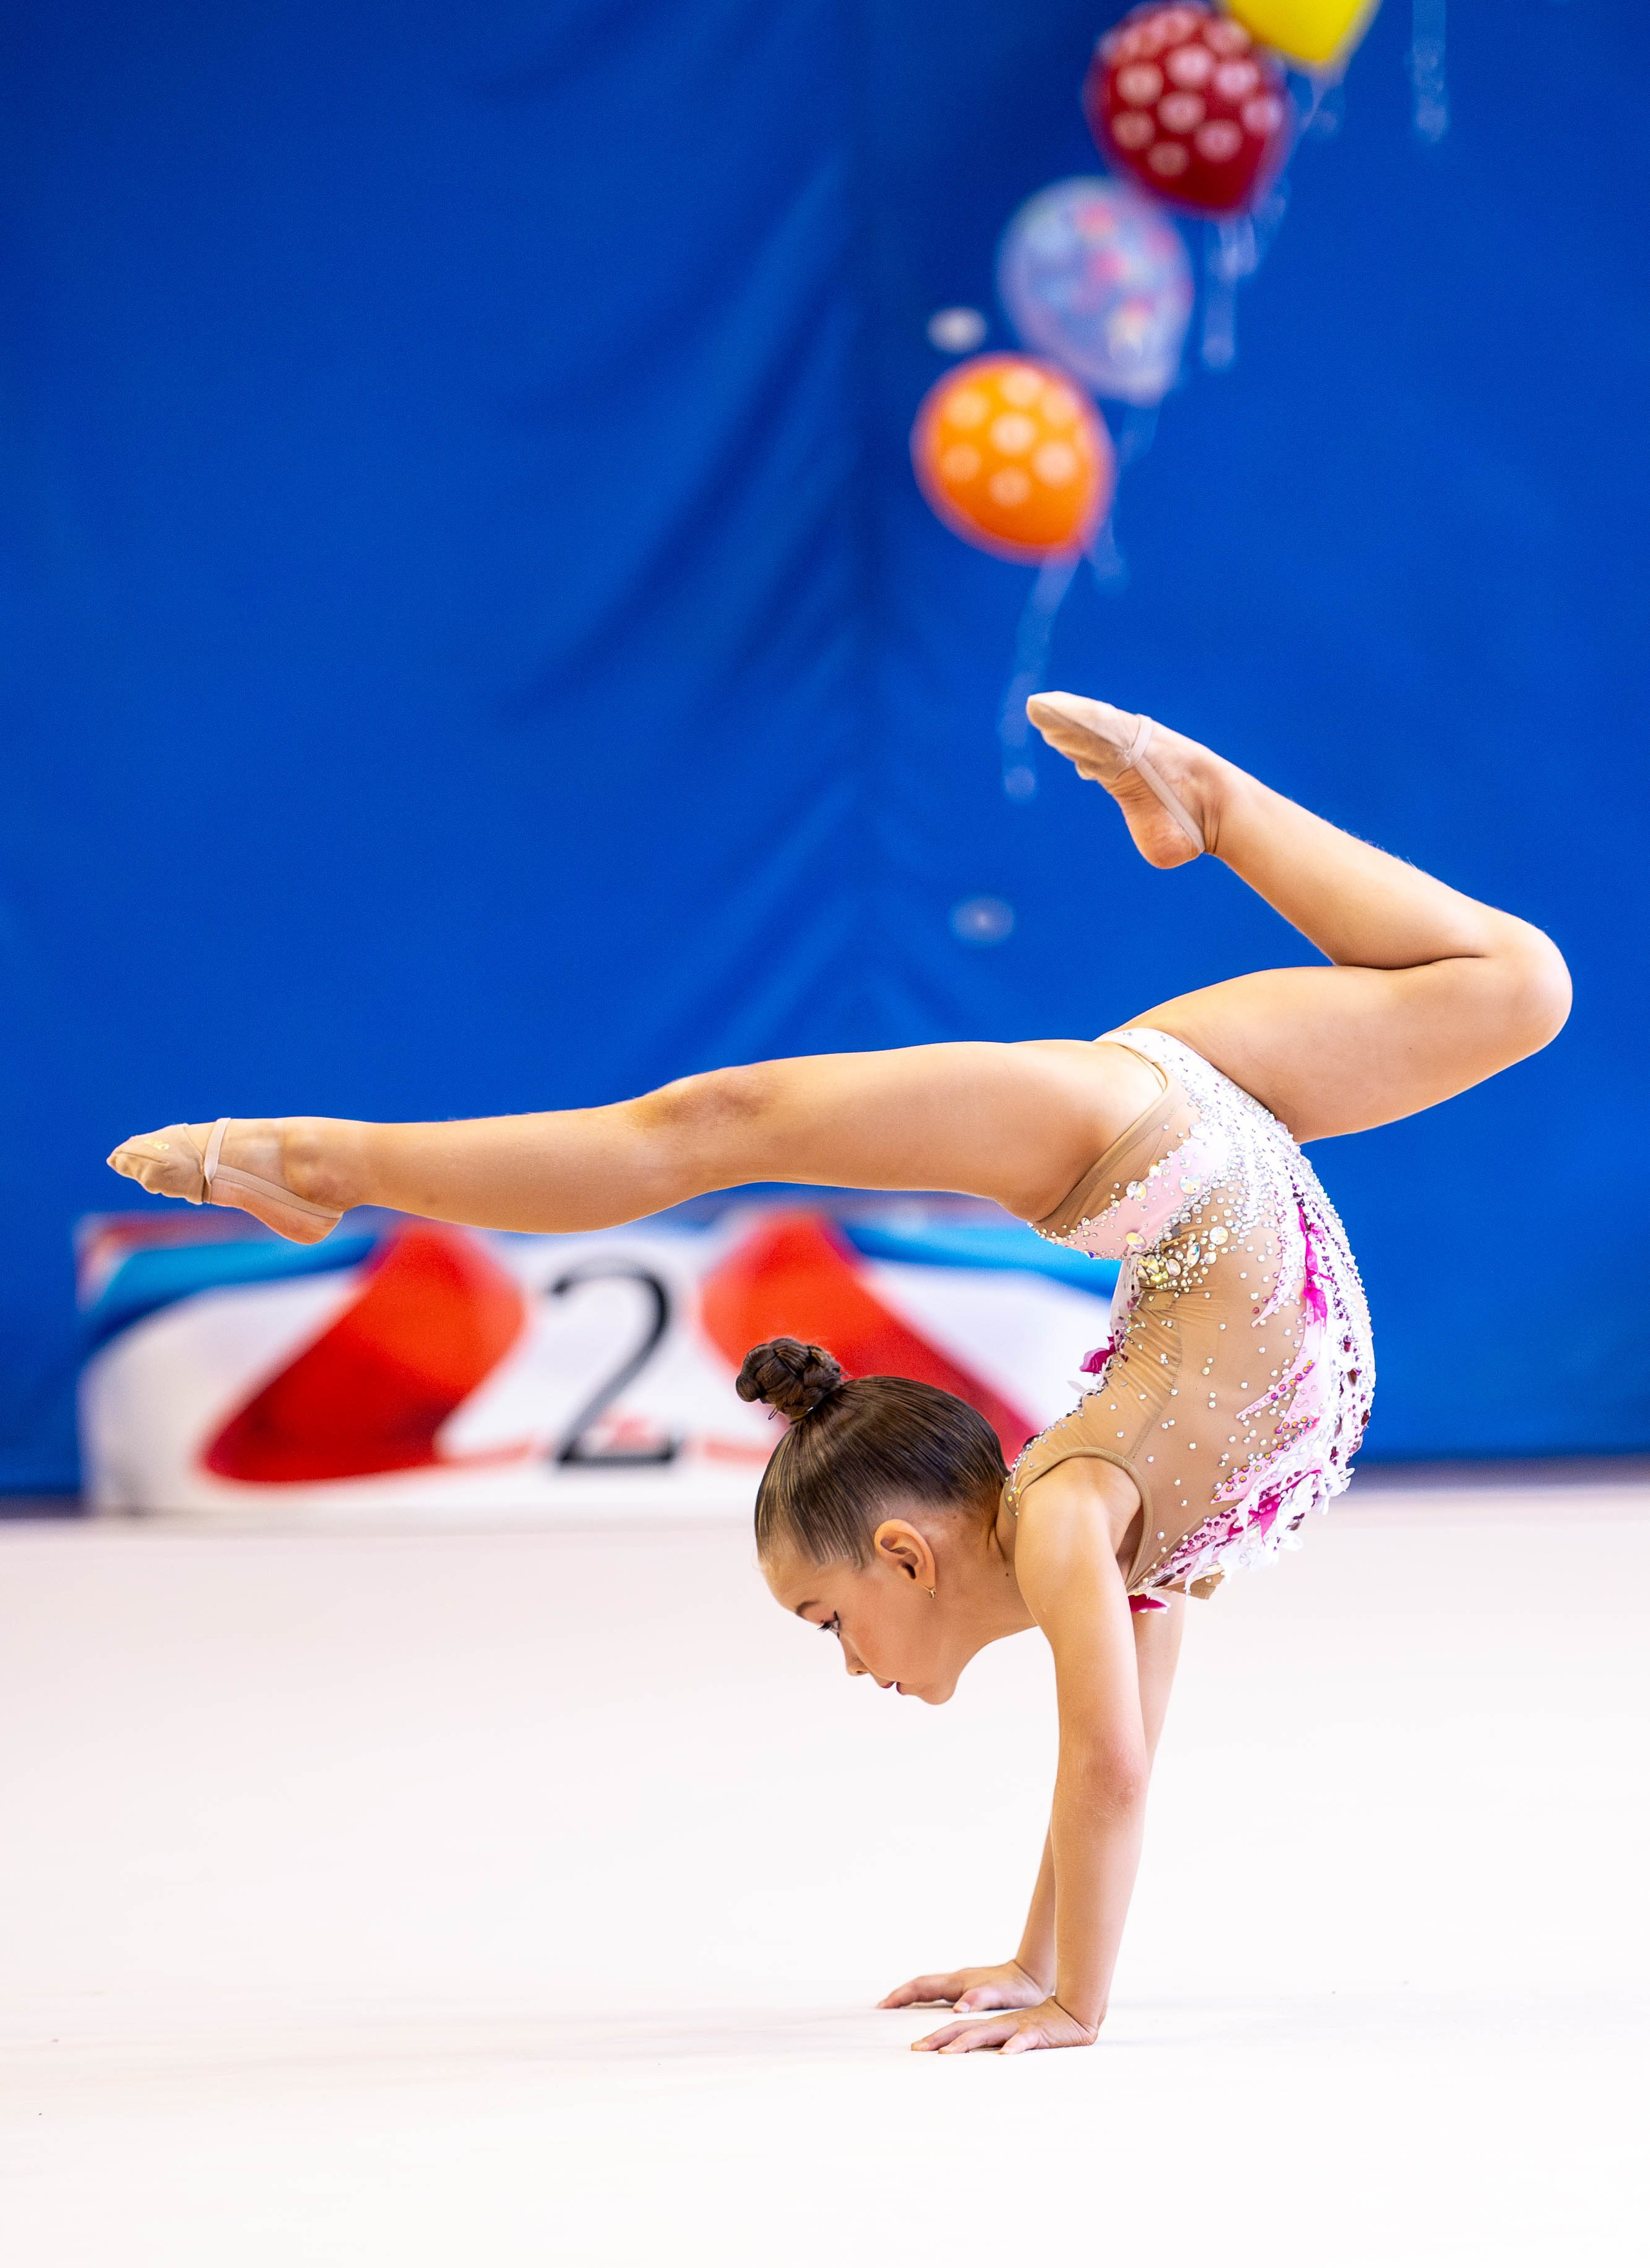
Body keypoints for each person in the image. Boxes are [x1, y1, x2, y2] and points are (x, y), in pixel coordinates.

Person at [108, 696, 1570, 2054]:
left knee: (712, 1121)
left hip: (1145, 1142)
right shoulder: (1108, 1533)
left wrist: (1076, 2002)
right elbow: (1117, 1757)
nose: (851, 1660)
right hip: (1217, 1126)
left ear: (903, 1551)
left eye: (826, 1617)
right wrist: (1039, 1963)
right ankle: (1210, 801)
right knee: (1520, 986)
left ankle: (320, 1164)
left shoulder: (1074, 1509)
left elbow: (1107, 1766)